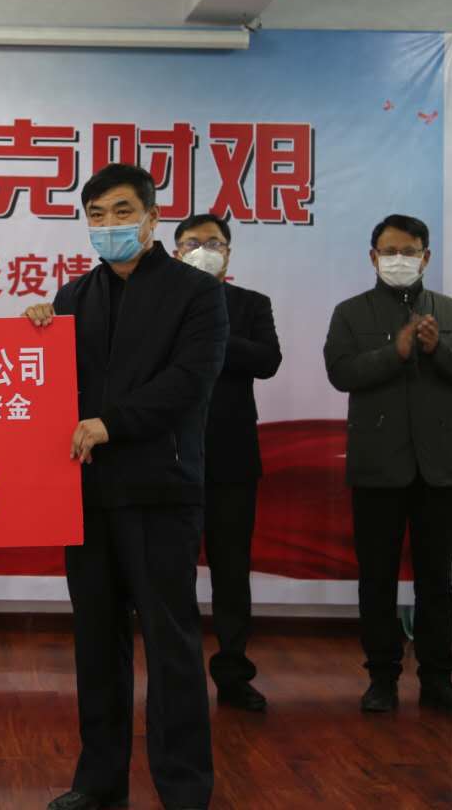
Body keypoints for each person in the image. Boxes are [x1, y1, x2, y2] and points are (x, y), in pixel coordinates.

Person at [27, 164, 225, 810]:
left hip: (161, 490)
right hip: (84, 495)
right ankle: (99, 782)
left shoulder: (197, 292)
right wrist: (34, 331)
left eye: (120, 211)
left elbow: (189, 381)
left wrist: (112, 423)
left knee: (171, 645)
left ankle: (184, 787)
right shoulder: (72, 297)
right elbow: (48, 385)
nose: (107, 225)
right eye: (96, 214)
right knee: (96, 643)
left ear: (151, 218)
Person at [323, 214, 452, 717]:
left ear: (426, 257)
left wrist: (438, 349)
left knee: (436, 579)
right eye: (390, 252)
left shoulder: (450, 311)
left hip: (439, 467)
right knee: (376, 577)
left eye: (409, 251)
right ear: (373, 257)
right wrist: (394, 352)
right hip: (377, 466)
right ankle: (382, 678)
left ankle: (438, 679)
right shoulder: (350, 312)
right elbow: (340, 372)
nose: (400, 260)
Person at [173, 213, 281, 713]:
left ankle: (234, 673)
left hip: (232, 459)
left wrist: (211, 334)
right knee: (172, 573)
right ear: (175, 252)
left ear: (228, 253)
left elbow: (267, 360)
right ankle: (178, 675)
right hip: (170, 456)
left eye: (213, 243)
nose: (203, 250)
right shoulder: (157, 304)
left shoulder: (251, 304)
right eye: (192, 243)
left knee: (232, 572)